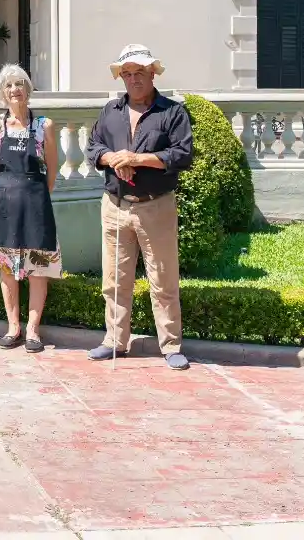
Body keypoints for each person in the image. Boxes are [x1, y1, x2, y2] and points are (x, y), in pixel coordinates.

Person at [84, 44, 194, 370]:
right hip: (116, 205)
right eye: (127, 74)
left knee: (163, 279)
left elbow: (181, 155)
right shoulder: (110, 111)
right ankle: (114, 340)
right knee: (115, 279)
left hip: (155, 206)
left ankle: (171, 345)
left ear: (152, 74)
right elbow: (93, 148)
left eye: (140, 73)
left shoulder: (172, 112)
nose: (133, 80)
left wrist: (138, 160)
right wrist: (114, 159)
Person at [0, 64, 60, 352]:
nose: (14, 90)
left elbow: (52, 167)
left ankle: (33, 331)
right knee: (7, 268)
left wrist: (37, 194)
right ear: (2, 92)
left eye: (19, 84)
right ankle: (13, 326)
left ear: (28, 89)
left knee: (37, 269)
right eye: (8, 85)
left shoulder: (44, 126)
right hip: (2, 204)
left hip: (35, 203)